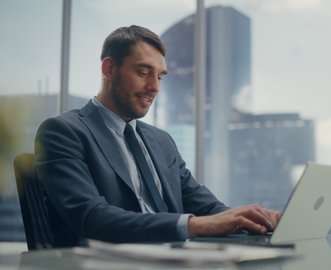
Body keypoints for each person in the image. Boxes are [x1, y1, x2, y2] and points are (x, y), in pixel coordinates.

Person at [34, 25, 280, 247]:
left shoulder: (161, 141)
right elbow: (91, 217)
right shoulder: (63, 132)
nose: (155, 87)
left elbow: (205, 206)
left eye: (160, 76)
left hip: (173, 260)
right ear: (109, 69)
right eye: (143, 73)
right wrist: (193, 226)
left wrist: (250, 220)